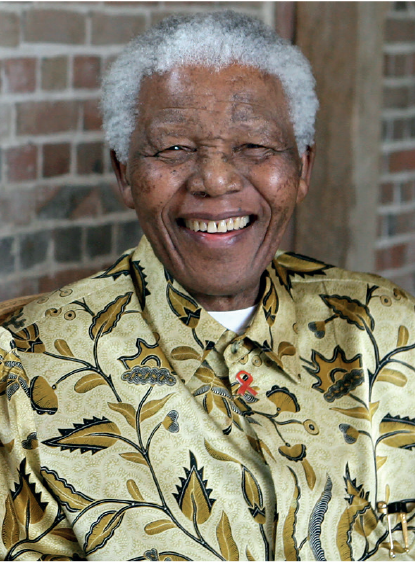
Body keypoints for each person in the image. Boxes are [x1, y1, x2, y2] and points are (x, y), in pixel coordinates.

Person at [0, 11, 413, 561]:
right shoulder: (31, 369)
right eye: (173, 149)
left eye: (255, 147)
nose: (216, 180)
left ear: (302, 169)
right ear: (125, 173)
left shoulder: (385, 326)